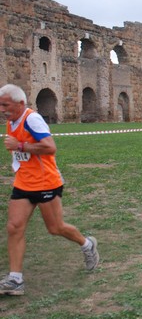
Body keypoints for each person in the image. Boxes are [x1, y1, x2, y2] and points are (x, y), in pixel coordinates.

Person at [0, 84, 100, 296]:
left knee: (56, 228)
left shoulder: (32, 119)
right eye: (0, 105)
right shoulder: (11, 121)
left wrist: (20, 146)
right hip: (23, 182)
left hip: (46, 182)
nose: (2, 109)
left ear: (20, 103)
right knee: (14, 227)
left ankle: (86, 243)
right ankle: (15, 279)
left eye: (5, 105)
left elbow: (49, 147)